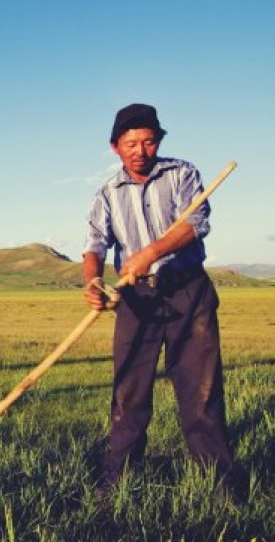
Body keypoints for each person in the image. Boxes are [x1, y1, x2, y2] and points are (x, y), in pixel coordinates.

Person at [82, 103, 244, 498]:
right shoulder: (107, 193)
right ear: (115, 147)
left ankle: (219, 486)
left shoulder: (182, 174)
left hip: (187, 289)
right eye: (131, 143)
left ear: (159, 142)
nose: (140, 150)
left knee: (200, 391)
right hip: (136, 299)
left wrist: (148, 254)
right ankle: (117, 483)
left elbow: (195, 224)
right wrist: (93, 282)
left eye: (149, 141)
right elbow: (95, 245)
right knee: (129, 392)